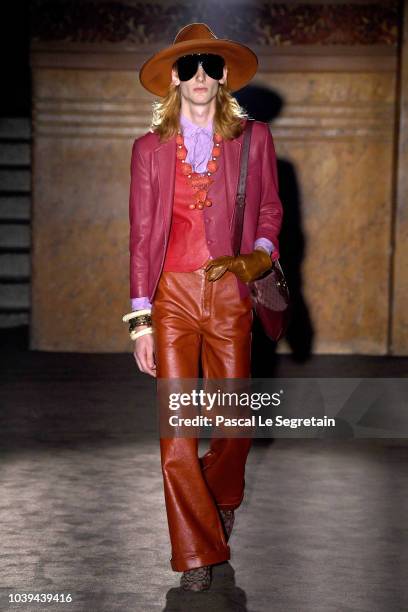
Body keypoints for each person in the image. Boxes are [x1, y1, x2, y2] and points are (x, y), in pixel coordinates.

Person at [122, 23, 283, 591]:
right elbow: (141, 237)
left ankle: (221, 496)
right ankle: (195, 553)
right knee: (177, 434)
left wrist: (257, 258)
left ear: (223, 76)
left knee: (235, 424)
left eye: (209, 67)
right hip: (171, 300)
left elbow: (269, 211)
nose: (198, 77)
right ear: (173, 77)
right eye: (187, 68)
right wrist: (141, 320)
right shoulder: (148, 149)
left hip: (229, 296)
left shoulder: (253, 139)